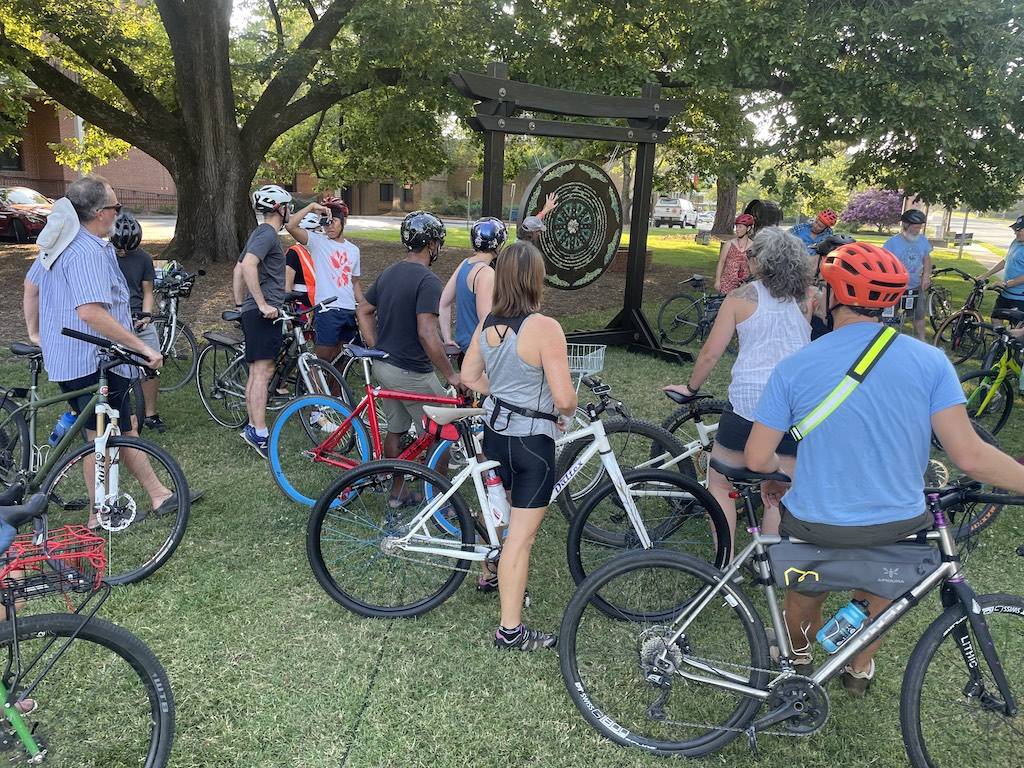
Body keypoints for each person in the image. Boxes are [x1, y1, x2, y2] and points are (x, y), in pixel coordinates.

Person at [744, 241, 1024, 696]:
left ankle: (798, 659)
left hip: (815, 523)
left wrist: (782, 469)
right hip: (897, 524)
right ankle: (858, 664)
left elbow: (757, 459)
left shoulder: (794, 367)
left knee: (804, 598)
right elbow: (969, 455)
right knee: (880, 593)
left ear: (831, 298)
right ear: (892, 301)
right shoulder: (931, 362)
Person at [22, 175, 185, 526]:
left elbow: (30, 286)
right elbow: (91, 312)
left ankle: (158, 495)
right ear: (100, 212)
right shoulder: (85, 252)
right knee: (102, 434)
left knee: (114, 429)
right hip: (92, 358)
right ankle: (102, 513)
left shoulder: (61, 243)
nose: (118, 214)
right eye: (116, 207)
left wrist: (37, 333)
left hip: (74, 358)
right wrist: (142, 348)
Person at [461, 241, 578, 651]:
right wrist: (559, 406)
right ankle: (510, 631)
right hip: (532, 442)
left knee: (505, 517)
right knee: (521, 539)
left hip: (495, 435)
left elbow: (469, 376)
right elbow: (564, 399)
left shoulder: (487, 325)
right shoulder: (544, 328)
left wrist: (504, 394)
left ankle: (492, 572)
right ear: (535, 278)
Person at [665, 228, 812, 547]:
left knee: (719, 481)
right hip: (794, 405)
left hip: (748, 403)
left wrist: (690, 387)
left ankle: (724, 560)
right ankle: (772, 562)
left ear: (763, 261)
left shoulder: (740, 298)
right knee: (781, 484)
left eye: (751, 255)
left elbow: (710, 352)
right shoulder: (806, 300)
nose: (747, 260)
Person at [356, 210, 461, 502]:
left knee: (396, 430)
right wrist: (450, 374)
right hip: (412, 372)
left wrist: (377, 345)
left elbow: (363, 310)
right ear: (431, 245)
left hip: (384, 367)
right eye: (438, 241)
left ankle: (397, 492)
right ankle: (439, 501)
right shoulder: (428, 280)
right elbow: (427, 333)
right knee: (443, 433)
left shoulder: (390, 272)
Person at [232, 184, 292, 458]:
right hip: (263, 313)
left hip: (255, 312)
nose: (290, 211)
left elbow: (237, 268)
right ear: (280, 208)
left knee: (259, 371)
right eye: (288, 206)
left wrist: (239, 304)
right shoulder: (266, 233)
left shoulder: (261, 233)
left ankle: (252, 427)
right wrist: (260, 304)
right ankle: (259, 432)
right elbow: (246, 266)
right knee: (263, 373)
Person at [284, 197, 364, 363]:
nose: (329, 226)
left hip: (348, 309)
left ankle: (336, 390)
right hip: (328, 309)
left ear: (344, 221)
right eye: (326, 222)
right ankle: (314, 389)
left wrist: (363, 306)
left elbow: (354, 282)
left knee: (343, 359)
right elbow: (290, 226)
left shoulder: (353, 250)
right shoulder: (318, 242)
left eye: (334, 221)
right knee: (322, 359)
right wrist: (312, 206)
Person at [111, 210, 166, 433]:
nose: (122, 252)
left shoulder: (144, 258)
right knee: (113, 369)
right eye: (119, 247)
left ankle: (151, 414)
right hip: (114, 320)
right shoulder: (103, 255)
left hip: (138, 318)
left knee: (151, 366)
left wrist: (146, 315)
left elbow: (148, 292)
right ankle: (117, 412)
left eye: (127, 248)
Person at [438, 217, 507, 356]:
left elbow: (443, 303)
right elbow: (485, 320)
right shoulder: (486, 273)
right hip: (478, 353)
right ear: (497, 245)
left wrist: (447, 339)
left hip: (464, 347)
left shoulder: (465, 264)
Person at [883, 208, 932, 339]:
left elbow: (926, 258)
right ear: (905, 225)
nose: (917, 231)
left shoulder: (922, 240)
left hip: (916, 285)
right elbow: (884, 262)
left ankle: (922, 340)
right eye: (915, 228)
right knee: (889, 316)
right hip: (895, 287)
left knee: (919, 315)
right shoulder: (892, 243)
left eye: (919, 228)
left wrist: (926, 276)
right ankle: (885, 339)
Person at [978, 214, 1024, 314]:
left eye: (1019, 230)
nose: (1016, 233)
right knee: (995, 318)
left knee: (1016, 327)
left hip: (1020, 297)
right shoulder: (1016, 242)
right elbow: (1005, 261)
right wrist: (985, 275)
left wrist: (1006, 284)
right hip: (1005, 293)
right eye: (1015, 230)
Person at [283, 211, 324, 315]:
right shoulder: (294, 252)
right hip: (301, 304)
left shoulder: (319, 252)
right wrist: (288, 308)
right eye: (316, 232)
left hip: (320, 301)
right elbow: (288, 284)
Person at [714, 213, 755, 293]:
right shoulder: (729, 244)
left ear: (748, 228)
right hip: (727, 283)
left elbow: (754, 267)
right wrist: (717, 281)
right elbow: (721, 262)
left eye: (740, 227)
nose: (737, 229)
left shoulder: (753, 246)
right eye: (736, 226)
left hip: (744, 286)